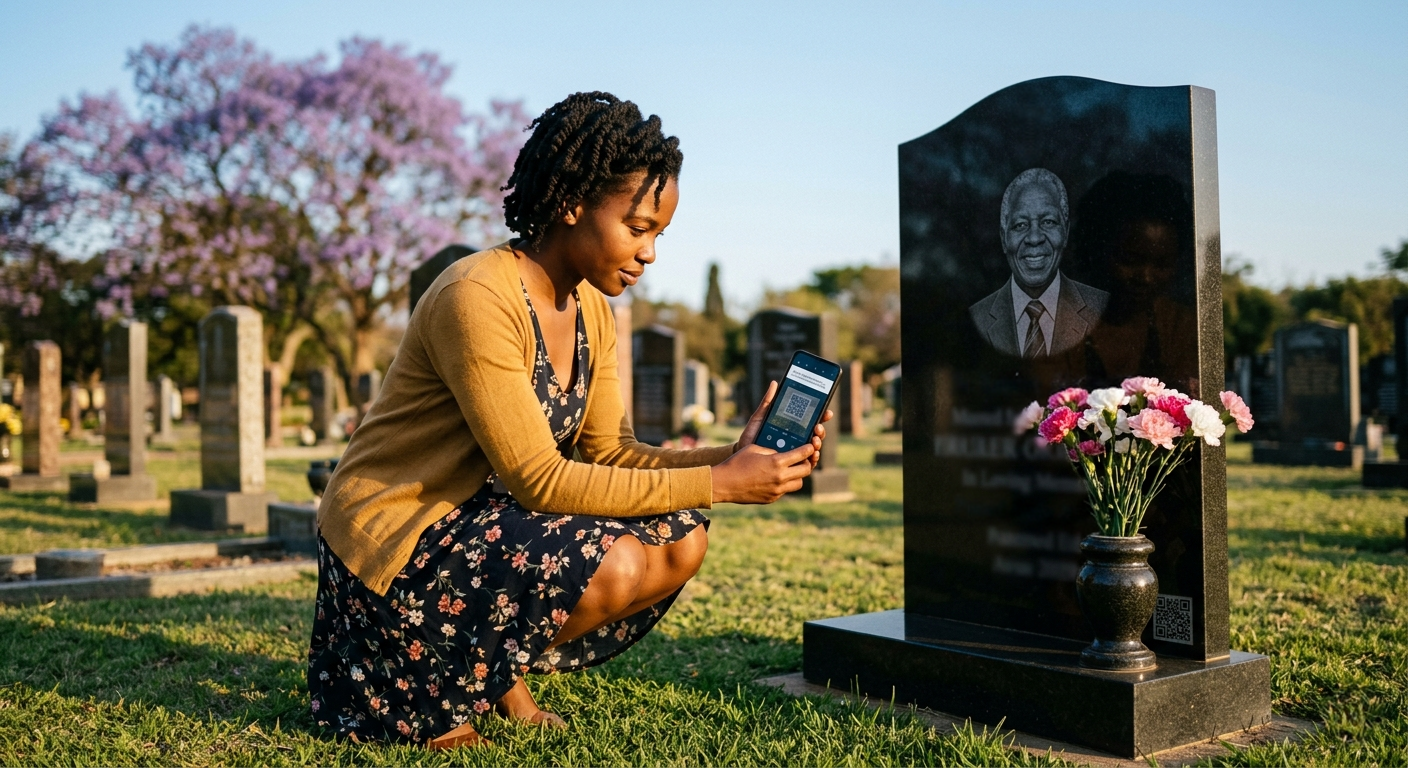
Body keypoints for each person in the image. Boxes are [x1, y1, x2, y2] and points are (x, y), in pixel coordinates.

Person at [306, 92, 829, 749]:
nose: (651, 253)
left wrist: (729, 457)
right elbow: (539, 482)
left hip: (473, 522)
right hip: (395, 541)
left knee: (680, 540)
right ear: (573, 201)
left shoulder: (591, 308)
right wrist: (723, 481)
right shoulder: (477, 296)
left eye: (659, 234)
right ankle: (441, 683)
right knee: (610, 564)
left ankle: (487, 670)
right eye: (638, 227)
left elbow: (613, 453)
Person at [968, 168, 1108, 358]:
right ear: (1003, 238)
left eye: (1048, 222)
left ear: (1065, 232)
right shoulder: (975, 318)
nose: (1034, 238)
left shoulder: (1102, 308)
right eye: (1020, 225)